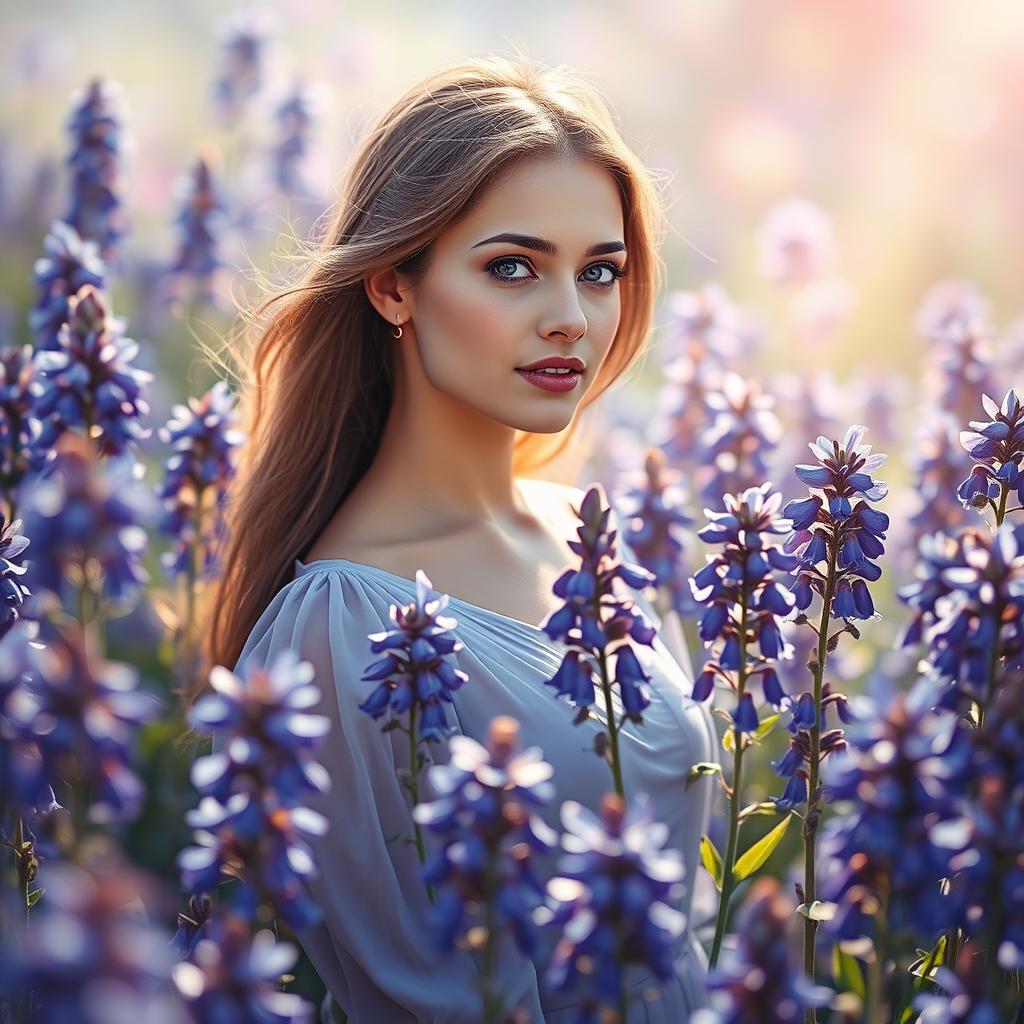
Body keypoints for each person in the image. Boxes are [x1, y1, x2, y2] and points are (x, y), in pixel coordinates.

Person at [200, 53, 715, 1023]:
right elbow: (420, 994)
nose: (571, 318)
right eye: (512, 267)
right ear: (393, 286)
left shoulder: (594, 543)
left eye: (599, 271)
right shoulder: (338, 623)